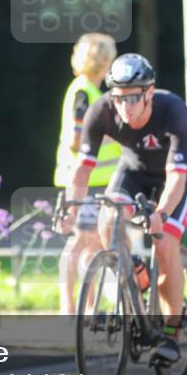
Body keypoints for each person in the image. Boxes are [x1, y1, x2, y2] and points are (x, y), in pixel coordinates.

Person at [62, 53, 187, 365]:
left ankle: (171, 332)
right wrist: (71, 209)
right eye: (119, 98)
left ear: (149, 92)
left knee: (165, 243)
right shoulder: (102, 111)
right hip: (133, 170)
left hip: (174, 175)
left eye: (133, 98)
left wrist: (160, 214)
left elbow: (177, 177)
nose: (125, 106)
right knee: (107, 218)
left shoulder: (173, 110)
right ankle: (135, 269)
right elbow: (82, 170)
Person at [53, 33, 121, 314]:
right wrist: (114, 137)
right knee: (81, 242)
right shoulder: (83, 92)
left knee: (93, 244)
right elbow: (75, 137)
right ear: (104, 60)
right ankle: (70, 308)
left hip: (98, 180)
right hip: (85, 181)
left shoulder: (90, 91)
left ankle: (88, 308)